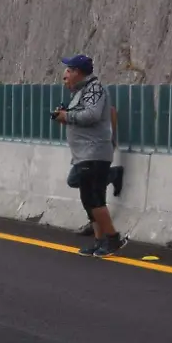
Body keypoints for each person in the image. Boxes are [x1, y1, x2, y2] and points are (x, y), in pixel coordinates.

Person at [53, 54, 126, 257]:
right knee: (89, 198)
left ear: (78, 72)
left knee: (94, 198)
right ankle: (99, 240)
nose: (65, 74)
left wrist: (67, 116)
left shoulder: (94, 88)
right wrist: (64, 115)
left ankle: (113, 239)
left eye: (68, 70)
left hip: (94, 152)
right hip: (84, 154)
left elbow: (92, 115)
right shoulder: (81, 91)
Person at [75, 105, 126, 236]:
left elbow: (112, 111)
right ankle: (97, 229)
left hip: (98, 152)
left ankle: (103, 235)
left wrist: (112, 138)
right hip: (85, 151)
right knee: (81, 184)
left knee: (95, 191)